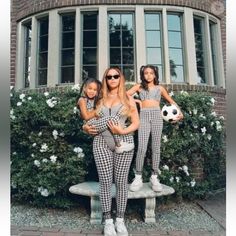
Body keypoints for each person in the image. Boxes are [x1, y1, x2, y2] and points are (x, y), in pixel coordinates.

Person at [83, 67, 140, 236]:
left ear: (120, 78)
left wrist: (121, 132)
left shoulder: (128, 99)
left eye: (116, 76)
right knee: (106, 181)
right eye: (109, 77)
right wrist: (85, 127)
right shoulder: (99, 99)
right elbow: (89, 118)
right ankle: (108, 221)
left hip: (123, 141)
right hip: (101, 142)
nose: (112, 79)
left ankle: (120, 221)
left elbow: (136, 123)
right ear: (106, 79)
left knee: (122, 182)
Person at [127, 65, 183, 192]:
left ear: (155, 75)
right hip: (144, 116)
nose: (148, 75)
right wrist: (138, 102)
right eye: (146, 73)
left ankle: (154, 176)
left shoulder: (160, 88)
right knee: (141, 147)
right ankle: (138, 176)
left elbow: (171, 101)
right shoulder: (139, 87)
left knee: (156, 147)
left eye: (151, 73)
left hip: (157, 116)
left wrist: (179, 112)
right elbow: (125, 95)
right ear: (143, 75)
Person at [77, 77, 134, 154]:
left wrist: (136, 101)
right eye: (90, 88)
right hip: (91, 124)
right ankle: (119, 144)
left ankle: (113, 146)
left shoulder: (96, 100)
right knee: (112, 119)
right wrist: (97, 111)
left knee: (109, 129)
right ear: (85, 88)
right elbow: (85, 116)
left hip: (98, 123)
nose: (92, 91)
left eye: (95, 90)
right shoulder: (82, 100)